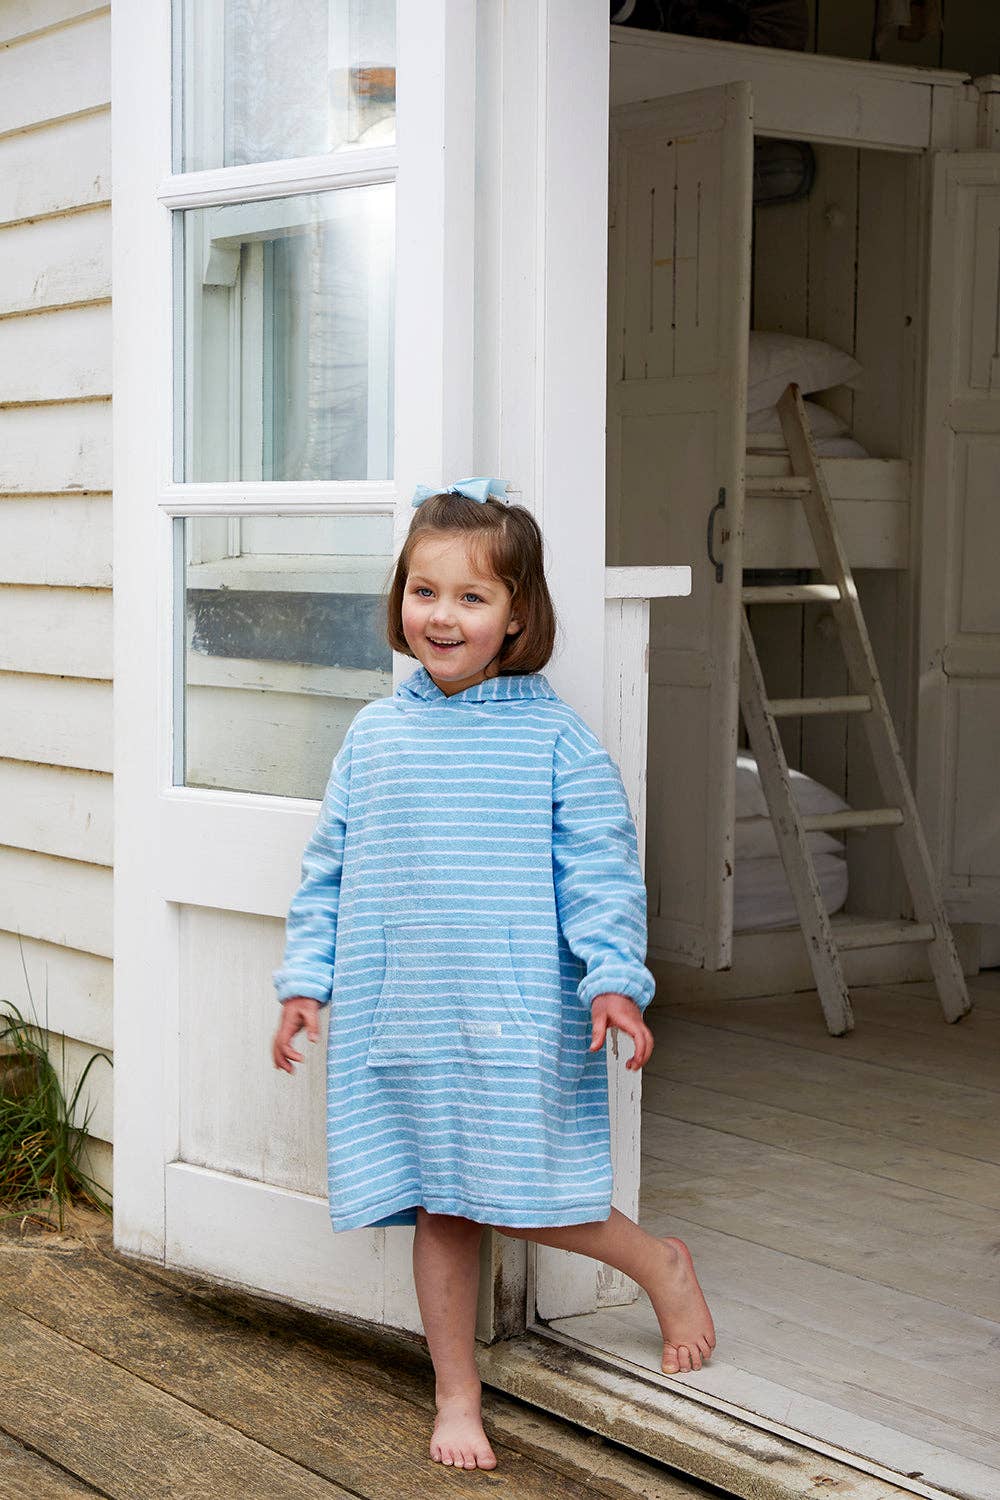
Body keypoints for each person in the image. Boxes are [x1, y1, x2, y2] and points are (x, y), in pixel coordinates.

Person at [270, 478, 715, 1472]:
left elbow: (601, 870)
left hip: (514, 1015)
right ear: (400, 599)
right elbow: (328, 870)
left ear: (516, 615)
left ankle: (657, 1263)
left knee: (529, 1193)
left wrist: (614, 979)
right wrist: (305, 982)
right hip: (408, 1013)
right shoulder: (374, 736)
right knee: (440, 1203)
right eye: (424, 591)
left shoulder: (554, 741)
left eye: (471, 597)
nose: (442, 615)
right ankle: (456, 1394)